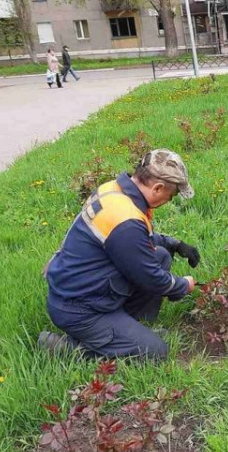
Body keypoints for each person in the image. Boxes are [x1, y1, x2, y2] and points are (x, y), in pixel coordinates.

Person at [39, 149, 201, 361]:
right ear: (158, 187)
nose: (169, 200)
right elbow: (150, 276)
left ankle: (128, 329)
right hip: (79, 309)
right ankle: (66, 348)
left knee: (161, 255)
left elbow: (135, 241)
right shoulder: (126, 222)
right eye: (171, 196)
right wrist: (183, 286)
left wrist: (175, 244)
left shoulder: (115, 190)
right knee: (155, 352)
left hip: (83, 287)